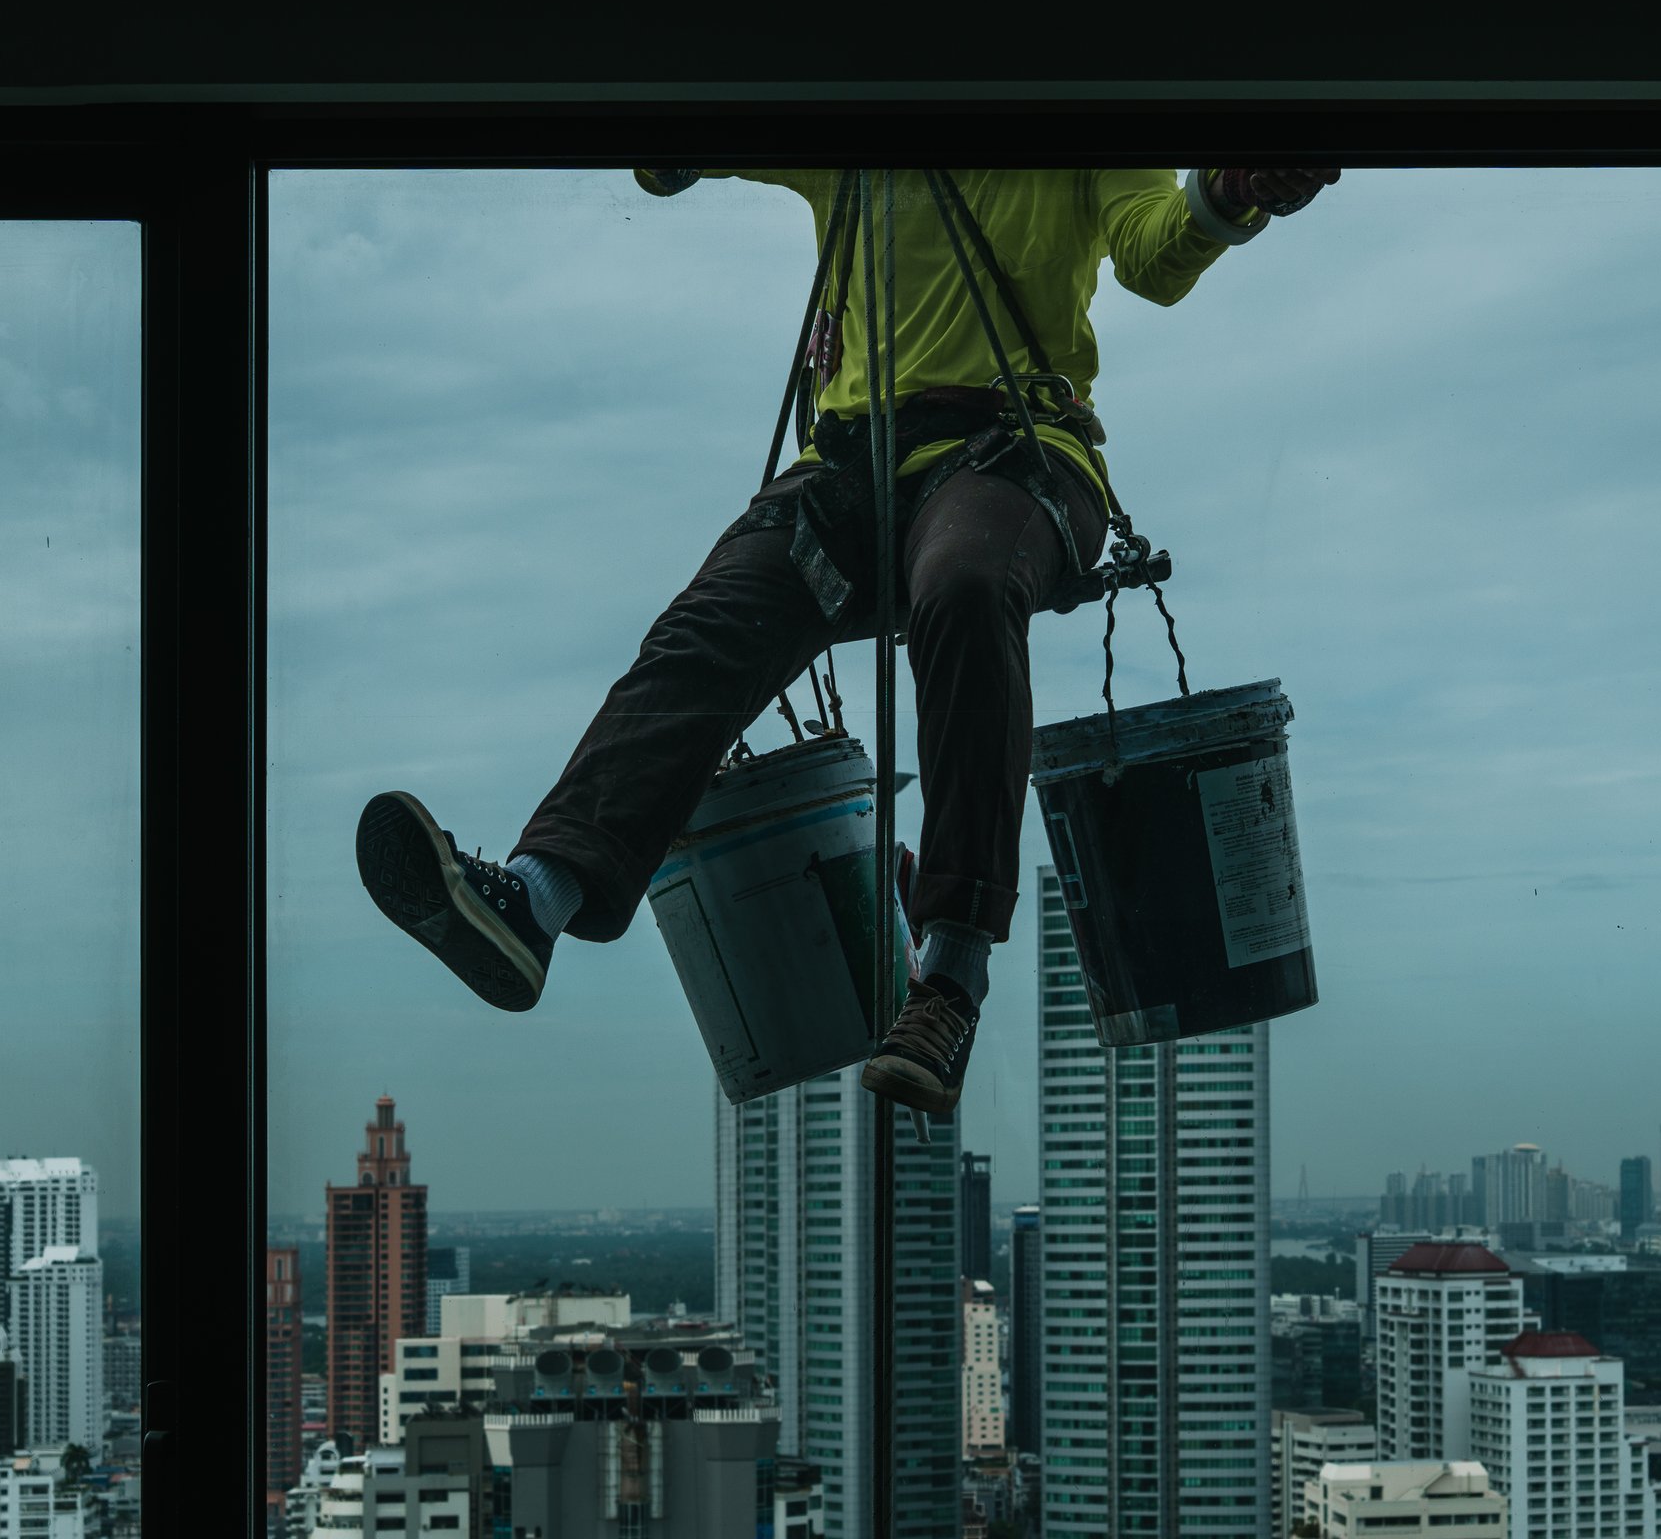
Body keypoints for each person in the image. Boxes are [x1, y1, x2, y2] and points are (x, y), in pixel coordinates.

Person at [355, 165, 1340, 1115]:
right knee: (711, 624)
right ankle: (537, 897)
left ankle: (947, 978)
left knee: (964, 584)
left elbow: (1153, 252)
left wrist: (1226, 193)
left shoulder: (1076, 112)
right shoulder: (856, 124)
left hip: (1018, 454)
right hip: (854, 471)